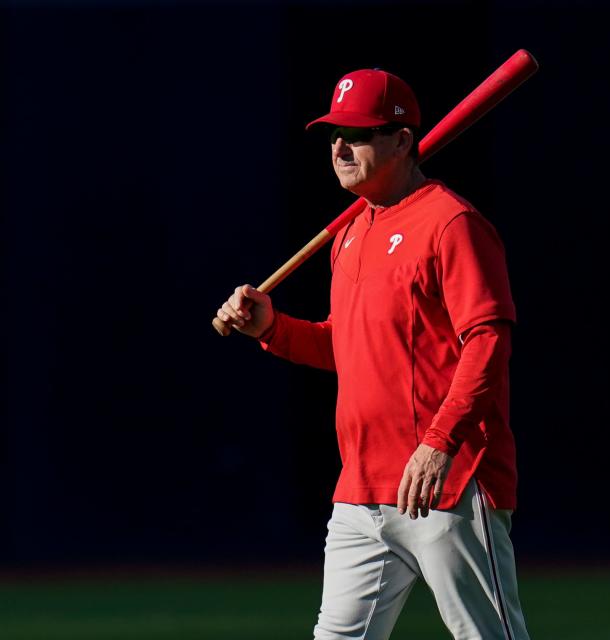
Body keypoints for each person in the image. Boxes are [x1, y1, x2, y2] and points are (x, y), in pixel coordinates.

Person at [216, 68, 530, 640]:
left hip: (447, 485)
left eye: (357, 134)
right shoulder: (350, 233)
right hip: (361, 487)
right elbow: (352, 348)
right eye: (333, 133)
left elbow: (488, 341)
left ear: (403, 140)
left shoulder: (451, 222)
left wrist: (439, 444)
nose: (339, 147)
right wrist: (273, 328)